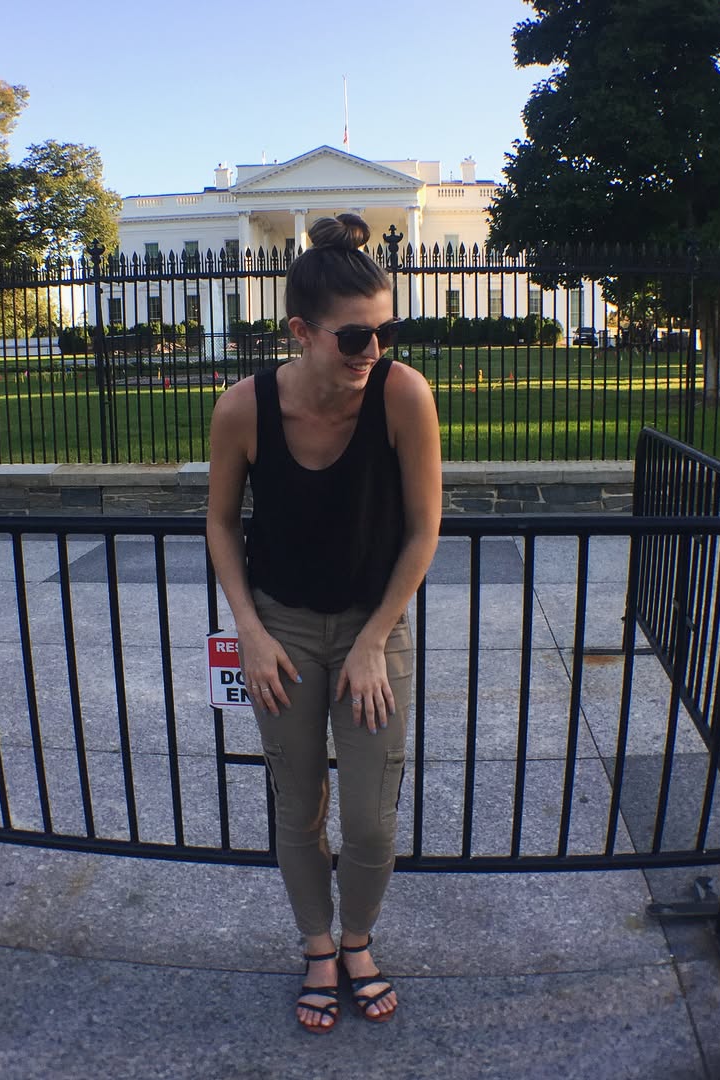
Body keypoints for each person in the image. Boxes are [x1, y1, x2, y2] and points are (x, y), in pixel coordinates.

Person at [206, 213, 442, 1033]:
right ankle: (316, 947)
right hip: (282, 628)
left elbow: (424, 529)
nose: (373, 351)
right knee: (297, 803)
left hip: (376, 624)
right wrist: (248, 629)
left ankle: (357, 940)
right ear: (301, 332)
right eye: (353, 338)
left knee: (371, 815)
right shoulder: (244, 408)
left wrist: (375, 639)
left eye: (386, 332)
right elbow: (219, 524)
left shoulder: (402, 394)